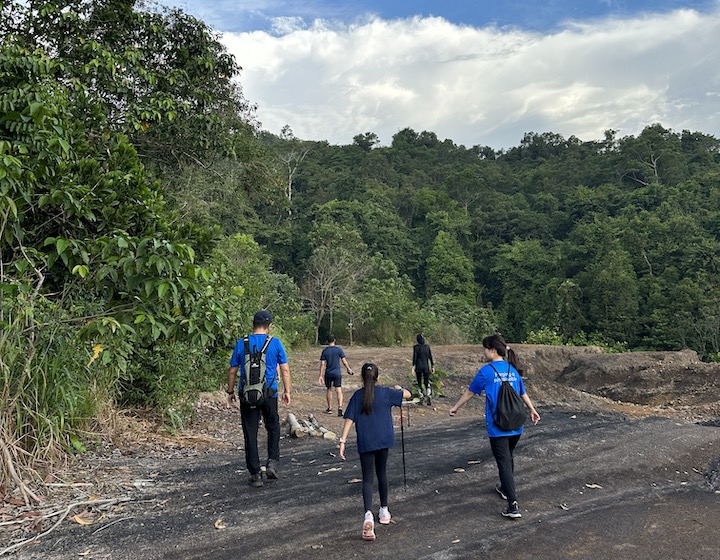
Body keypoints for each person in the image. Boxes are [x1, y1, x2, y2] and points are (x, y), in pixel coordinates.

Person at [449, 334, 540, 519]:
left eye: (485, 349)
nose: (483, 352)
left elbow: (470, 392)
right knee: (508, 457)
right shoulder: (512, 369)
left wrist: (455, 407)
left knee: (503, 462)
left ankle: (513, 505)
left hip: (498, 425)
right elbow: (522, 392)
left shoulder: (486, 371)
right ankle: (505, 488)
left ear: (492, 350)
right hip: (517, 423)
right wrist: (532, 410)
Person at [339, 363, 411, 541]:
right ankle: (384, 511)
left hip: (366, 441)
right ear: (377, 377)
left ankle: (368, 515)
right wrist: (400, 389)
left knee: (367, 478)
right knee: (382, 473)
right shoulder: (386, 393)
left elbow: (349, 419)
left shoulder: (357, 396)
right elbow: (408, 395)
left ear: (362, 378)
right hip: (384, 440)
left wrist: (342, 441)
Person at [227, 310, 291, 488]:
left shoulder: (242, 343)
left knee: (250, 433)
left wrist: (230, 391)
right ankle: (272, 462)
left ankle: (255, 474)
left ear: (252, 325)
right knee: (273, 427)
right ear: (269, 326)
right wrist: (287, 391)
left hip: (247, 394)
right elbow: (284, 370)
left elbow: (232, 370)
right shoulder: (275, 343)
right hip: (269, 393)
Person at [317, 334, 354, 416]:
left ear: (327, 341)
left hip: (328, 373)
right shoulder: (339, 350)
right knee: (338, 390)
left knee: (329, 389)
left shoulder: (325, 351)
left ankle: (329, 408)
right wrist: (348, 369)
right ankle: (340, 407)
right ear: (334, 340)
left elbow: (322, 364)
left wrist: (320, 375)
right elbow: (344, 361)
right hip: (337, 372)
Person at [412, 334, 434, 405]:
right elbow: (430, 357)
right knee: (426, 382)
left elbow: (415, 357)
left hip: (419, 367)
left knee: (419, 382)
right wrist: (432, 366)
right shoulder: (427, 347)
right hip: (426, 367)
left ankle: (421, 397)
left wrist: (413, 366)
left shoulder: (416, 347)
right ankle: (428, 395)